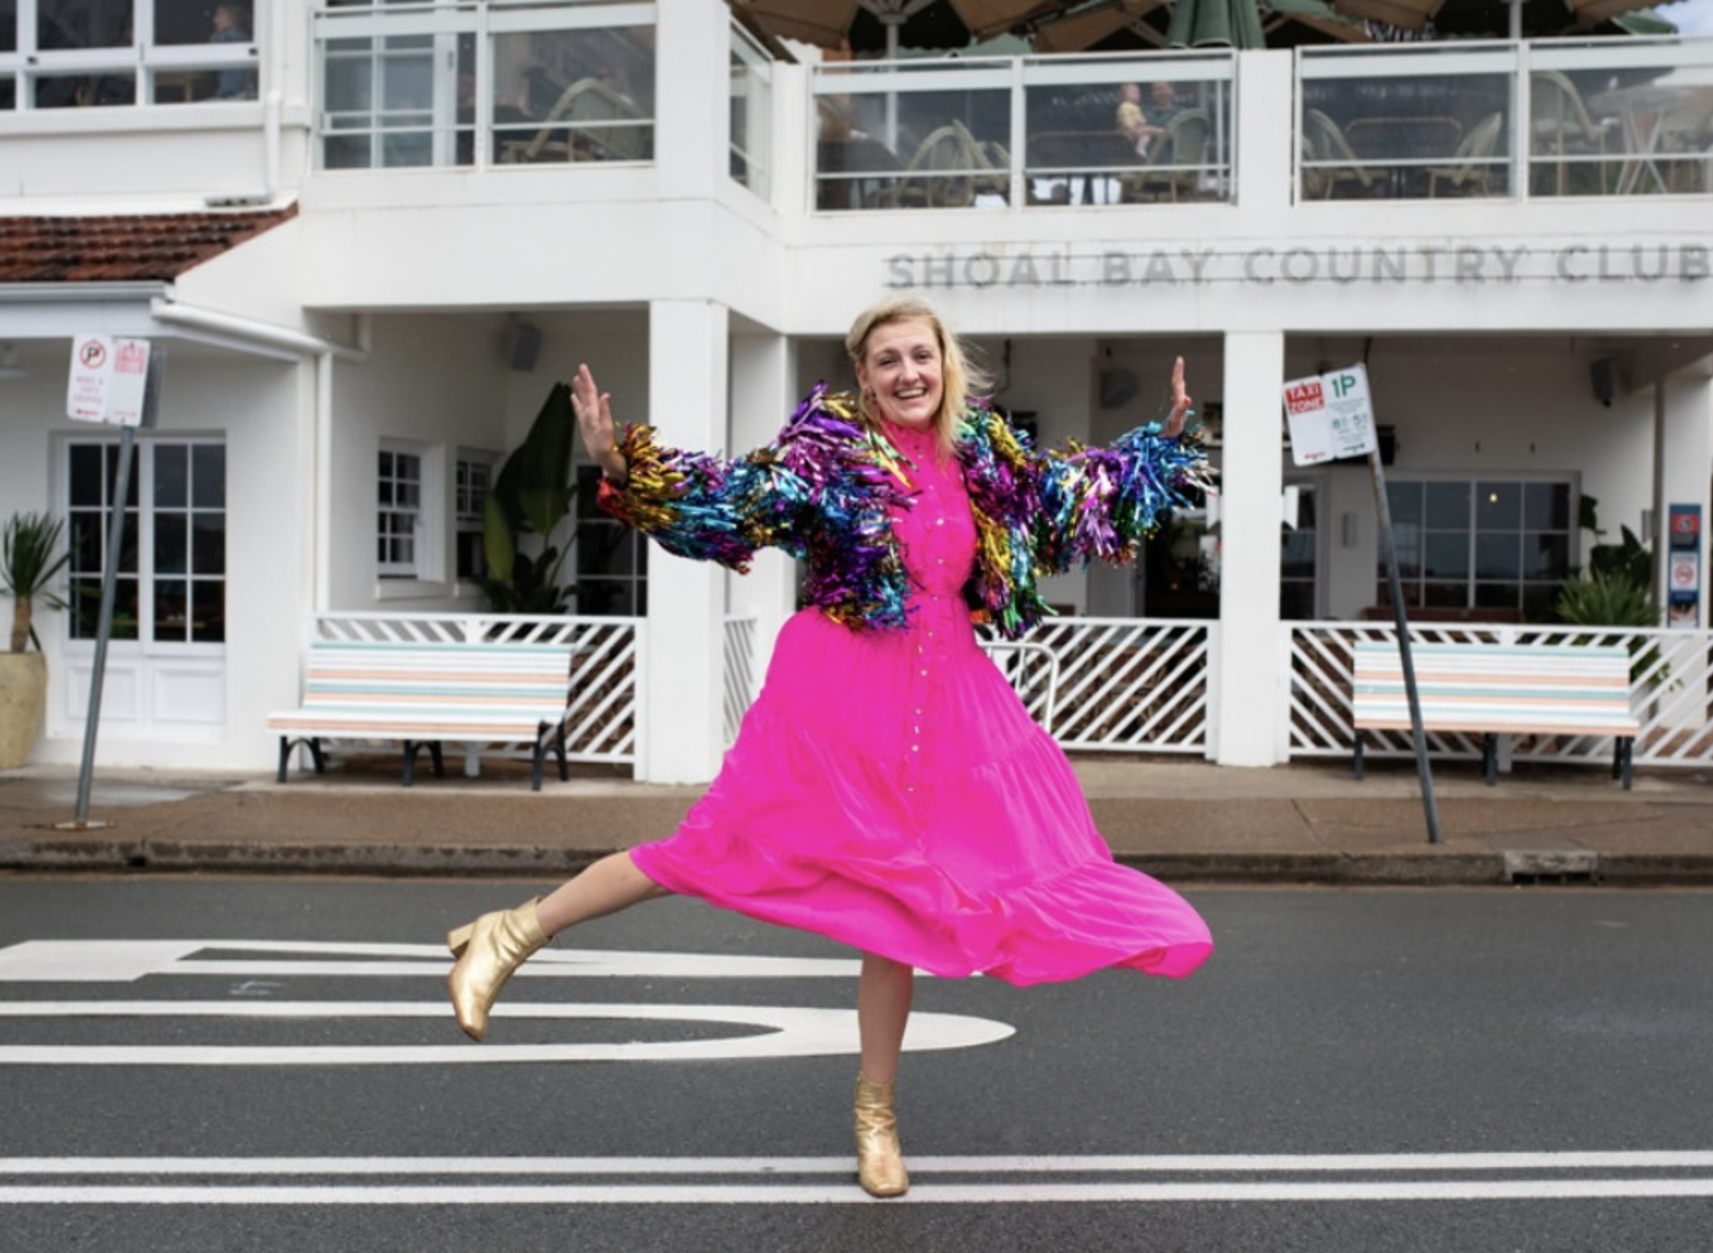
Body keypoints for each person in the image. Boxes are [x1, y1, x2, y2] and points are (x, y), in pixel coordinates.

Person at [444, 296, 1216, 1199]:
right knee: (708, 849)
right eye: (887, 361)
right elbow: (739, 496)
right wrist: (620, 462)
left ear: (945, 363)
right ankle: (513, 933)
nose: (907, 375)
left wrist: (1156, 448)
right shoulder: (830, 454)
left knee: (903, 909)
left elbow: (1069, 495)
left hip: (948, 702)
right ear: (864, 374)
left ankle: (876, 1117)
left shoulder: (982, 458)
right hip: (838, 695)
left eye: (920, 356)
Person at [209, 3, 255, 101]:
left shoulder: (227, 38)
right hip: (247, 93)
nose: (215, 20)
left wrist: (215, 39)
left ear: (233, 18)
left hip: (235, 96)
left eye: (220, 15)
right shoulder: (245, 38)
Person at [1115, 82, 1165, 157]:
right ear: (1124, 95)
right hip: (1130, 127)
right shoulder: (1124, 107)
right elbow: (1125, 118)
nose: (1137, 95)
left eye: (1138, 93)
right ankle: (1139, 148)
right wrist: (1130, 127)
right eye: (1133, 93)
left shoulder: (1136, 107)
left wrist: (1142, 124)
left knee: (1146, 136)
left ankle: (1140, 147)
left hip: (1138, 127)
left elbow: (1139, 117)